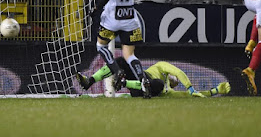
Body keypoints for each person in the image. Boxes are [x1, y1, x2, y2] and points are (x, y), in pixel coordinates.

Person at [85, 0, 153, 98]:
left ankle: (117, 71)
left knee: (101, 46)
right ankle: (142, 80)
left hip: (112, 19)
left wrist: (95, 9)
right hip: (130, 19)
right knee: (129, 55)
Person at [76, 57, 231, 98]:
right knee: (121, 61)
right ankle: (89, 81)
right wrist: (190, 88)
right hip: (140, 79)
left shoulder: (168, 91)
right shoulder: (161, 67)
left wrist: (214, 91)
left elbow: (190, 96)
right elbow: (179, 73)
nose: (175, 81)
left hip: (141, 92)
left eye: (176, 83)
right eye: (174, 78)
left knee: (157, 85)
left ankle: (123, 82)